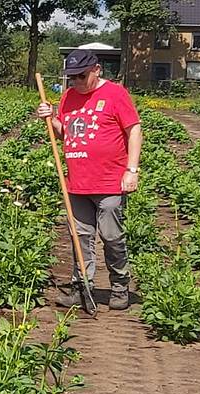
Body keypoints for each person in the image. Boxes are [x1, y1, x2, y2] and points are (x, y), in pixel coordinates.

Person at [37, 49, 143, 311]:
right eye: (71, 77)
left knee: (111, 235)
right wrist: (50, 118)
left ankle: (120, 287)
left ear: (97, 70)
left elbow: (134, 130)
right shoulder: (68, 96)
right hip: (77, 182)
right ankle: (82, 287)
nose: (76, 82)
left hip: (109, 181)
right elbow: (65, 133)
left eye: (81, 76)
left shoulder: (116, 94)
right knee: (80, 236)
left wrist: (132, 170)